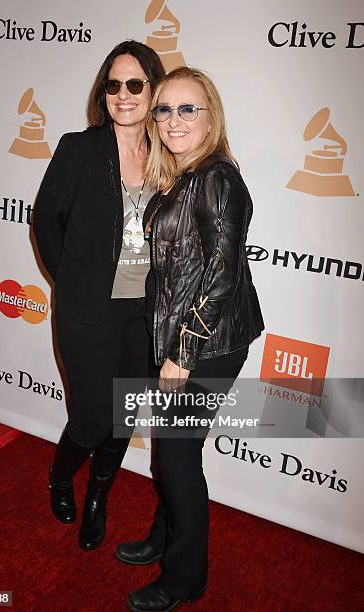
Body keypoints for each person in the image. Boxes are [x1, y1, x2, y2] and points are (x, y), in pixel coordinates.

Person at [115, 67, 265, 611]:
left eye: (187, 109)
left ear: (211, 116)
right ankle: (163, 537)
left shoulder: (218, 178)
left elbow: (222, 276)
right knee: (170, 453)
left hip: (210, 344)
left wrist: (182, 352)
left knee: (176, 459)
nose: (172, 120)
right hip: (179, 338)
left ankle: (185, 577)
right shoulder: (182, 176)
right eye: (164, 109)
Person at [33, 40, 165, 551]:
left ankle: (98, 497)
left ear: (153, 90)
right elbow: (46, 221)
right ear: (103, 92)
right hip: (87, 313)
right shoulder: (78, 148)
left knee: (125, 414)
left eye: (136, 84)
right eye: (114, 84)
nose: (124, 94)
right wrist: (69, 282)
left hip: (143, 313)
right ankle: (61, 476)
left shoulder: (167, 156)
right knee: (90, 419)